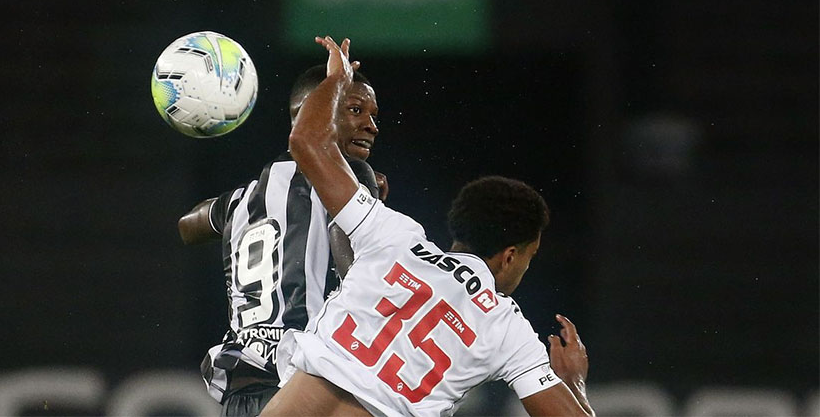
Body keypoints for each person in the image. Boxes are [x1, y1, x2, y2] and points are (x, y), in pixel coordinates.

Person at [260, 36, 595, 417]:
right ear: (510, 255)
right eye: (529, 257)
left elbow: (306, 141)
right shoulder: (507, 328)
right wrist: (573, 384)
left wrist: (338, 78)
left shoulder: (391, 234)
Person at [178, 63, 386, 416]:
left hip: (240, 397)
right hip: (304, 390)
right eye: (355, 110)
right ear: (311, 113)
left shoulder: (241, 199)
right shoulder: (347, 180)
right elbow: (357, 274)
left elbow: (187, 225)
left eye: (373, 114)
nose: (371, 125)